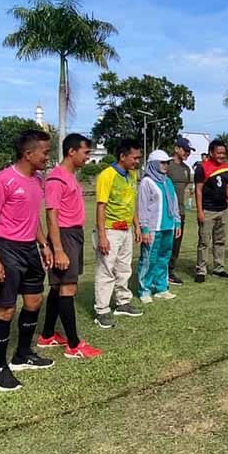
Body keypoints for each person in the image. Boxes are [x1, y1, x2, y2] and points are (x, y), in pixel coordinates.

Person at [0, 129, 56, 392]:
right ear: (28, 153)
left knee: (35, 301)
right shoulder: (4, 179)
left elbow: (32, 217)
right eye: (45, 152)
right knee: (6, 309)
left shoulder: (37, 181)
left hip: (30, 250)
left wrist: (44, 244)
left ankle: (22, 355)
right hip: (6, 249)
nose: (48, 157)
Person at [37, 133, 103, 359]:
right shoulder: (57, 179)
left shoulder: (69, 175)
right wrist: (58, 249)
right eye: (86, 153)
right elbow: (51, 216)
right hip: (63, 236)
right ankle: (74, 345)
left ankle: (47, 335)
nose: (88, 157)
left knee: (58, 287)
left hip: (72, 235)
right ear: (71, 151)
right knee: (68, 288)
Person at [93, 138, 144, 328]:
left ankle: (123, 302)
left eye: (139, 158)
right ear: (123, 156)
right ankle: (102, 310)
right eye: (134, 158)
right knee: (106, 269)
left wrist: (137, 226)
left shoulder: (131, 175)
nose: (137, 161)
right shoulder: (107, 175)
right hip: (110, 229)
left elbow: (132, 203)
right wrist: (103, 236)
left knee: (124, 267)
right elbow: (101, 206)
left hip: (126, 229)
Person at [136, 149, 182, 303]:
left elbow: (174, 202)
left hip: (168, 226)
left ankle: (161, 287)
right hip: (153, 227)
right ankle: (145, 289)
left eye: (167, 162)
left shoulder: (167, 181)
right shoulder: (146, 182)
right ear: (153, 164)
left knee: (164, 258)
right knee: (149, 259)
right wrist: (144, 229)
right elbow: (142, 207)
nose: (165, 165)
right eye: (162, 162)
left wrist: (177, 221)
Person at [194, 139, 228, 282]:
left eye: (224, 153)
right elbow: (198, 190)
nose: (222, 155)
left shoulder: (226, 167)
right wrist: (199, 211)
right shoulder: (202, 168)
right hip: (207, 210)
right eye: (219, 153)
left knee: (220, 241)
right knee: (204, 241)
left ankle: (219, 268)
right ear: (211, 152)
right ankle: (201, 270)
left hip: (222, 209)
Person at [165, 137, 195, 286]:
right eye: (185, 150)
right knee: (164, 243)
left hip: (180, 212)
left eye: (189, 151)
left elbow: (184, 187)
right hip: (165, 212)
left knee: (176, 243)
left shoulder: (186, 169)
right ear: (176, 149)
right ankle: (159, 271)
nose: (187, 153)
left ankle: (170, 271)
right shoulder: (167, 166)